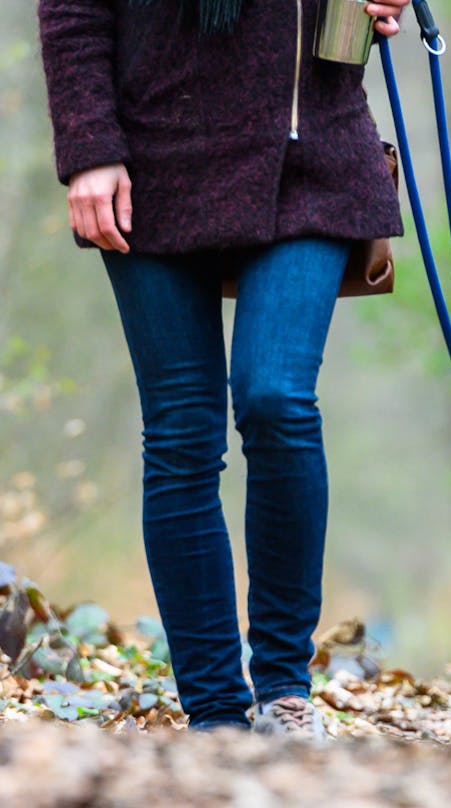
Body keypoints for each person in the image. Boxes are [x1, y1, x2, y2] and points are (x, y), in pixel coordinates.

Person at [37, 0, 412, 738]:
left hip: (309, 159)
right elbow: (72, 10)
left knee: (276, 398)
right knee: (181, 433)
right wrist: (87, 147)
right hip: (153, 161)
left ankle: (283, 691)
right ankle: (215, 715)